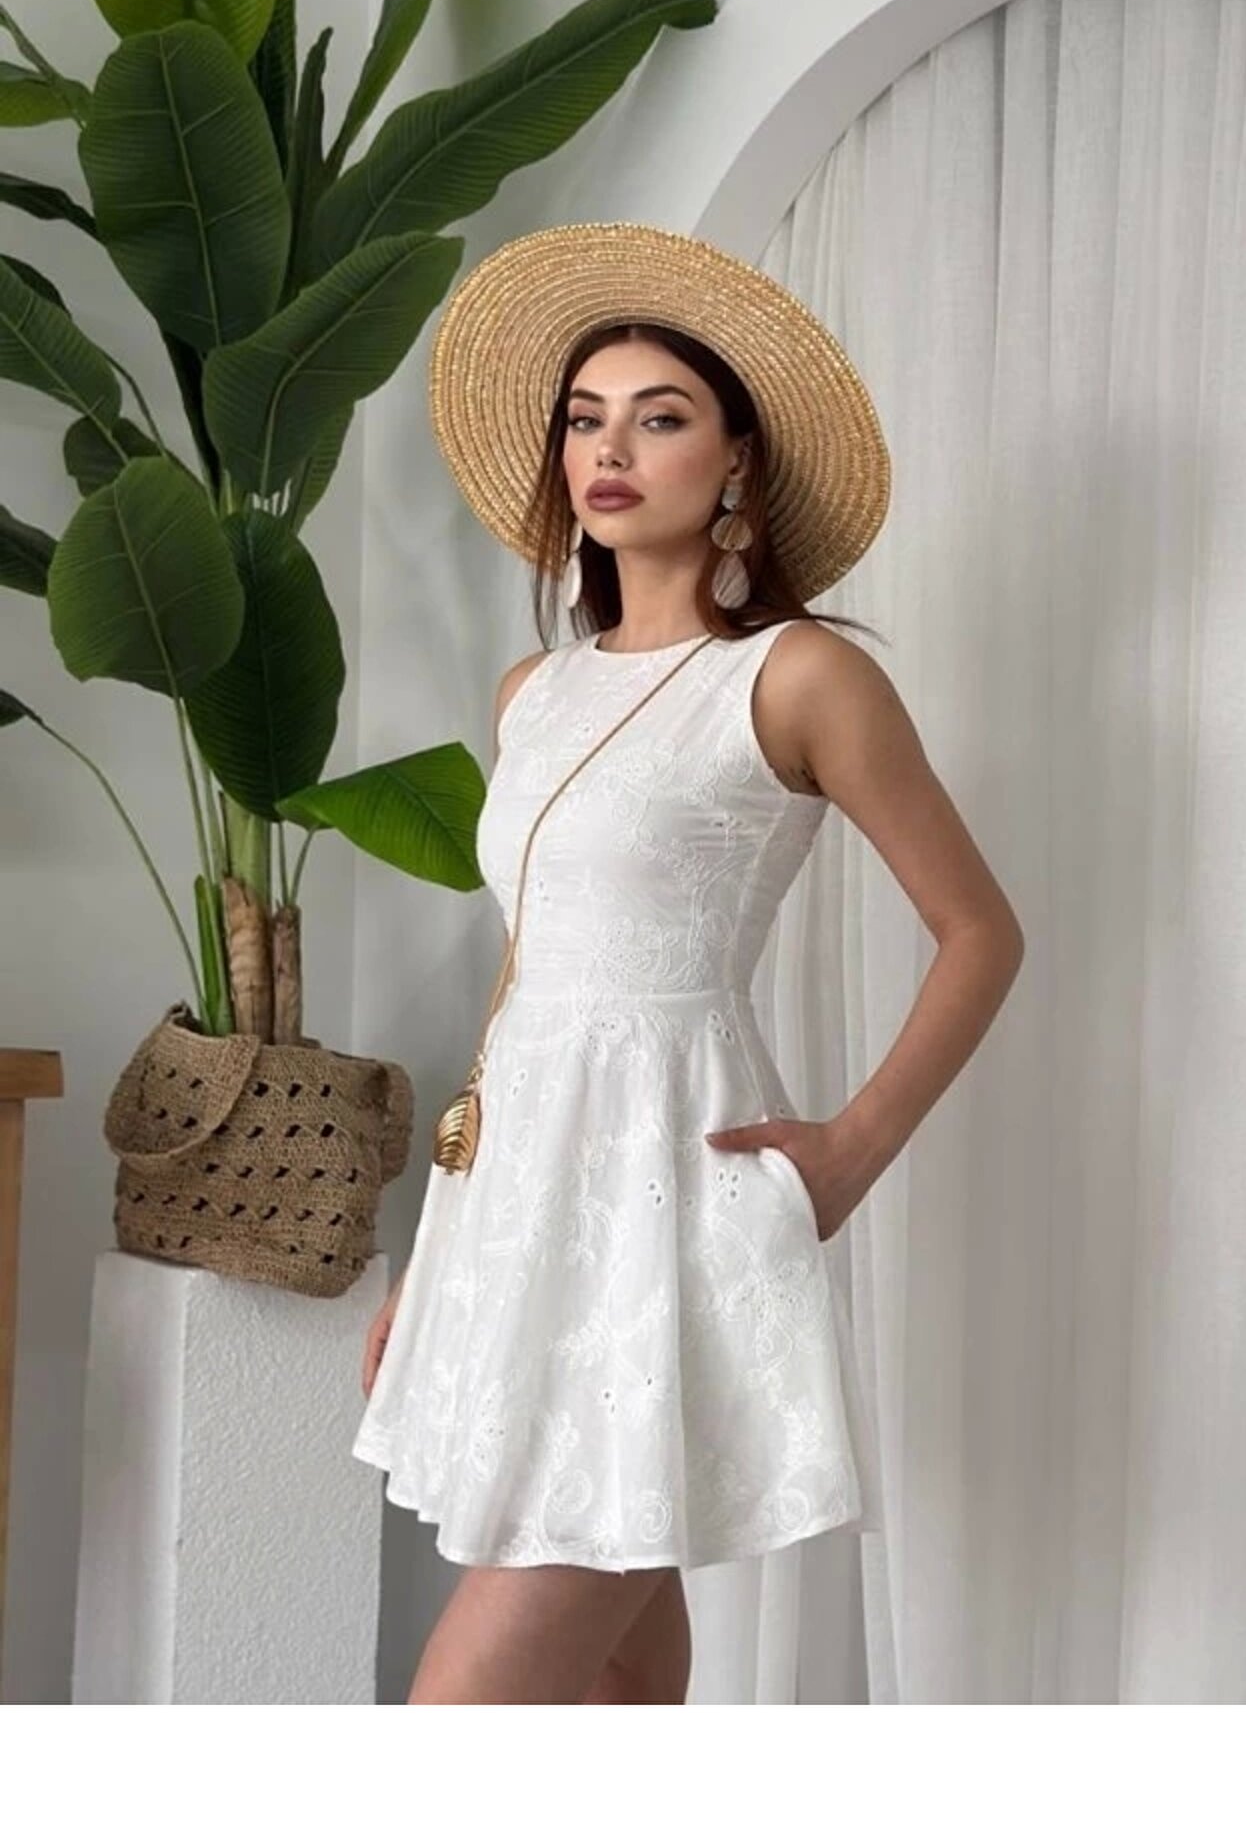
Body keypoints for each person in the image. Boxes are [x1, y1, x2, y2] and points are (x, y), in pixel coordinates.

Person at [351, 222, 1025, 1704]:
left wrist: (848, 1152)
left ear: (736, 465)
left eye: (659, 419)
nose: (610, 450)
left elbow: (981, 932)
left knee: (463, 1711)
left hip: (670, 1187)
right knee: (618, 1690)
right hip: (521, 1200)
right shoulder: (533, 690)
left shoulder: (797, 675)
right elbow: (530, 982)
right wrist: (448, 1263)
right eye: (585, 418)